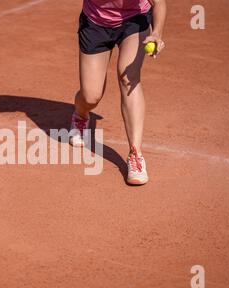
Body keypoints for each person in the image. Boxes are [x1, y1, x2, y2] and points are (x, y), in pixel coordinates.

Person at [70, 0, 167, 185]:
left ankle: (135, 153)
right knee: (91, 96)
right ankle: (81, 115)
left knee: (128, 77)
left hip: (134, 22)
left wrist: (156, 34)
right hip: (95, 22)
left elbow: (159, 3)